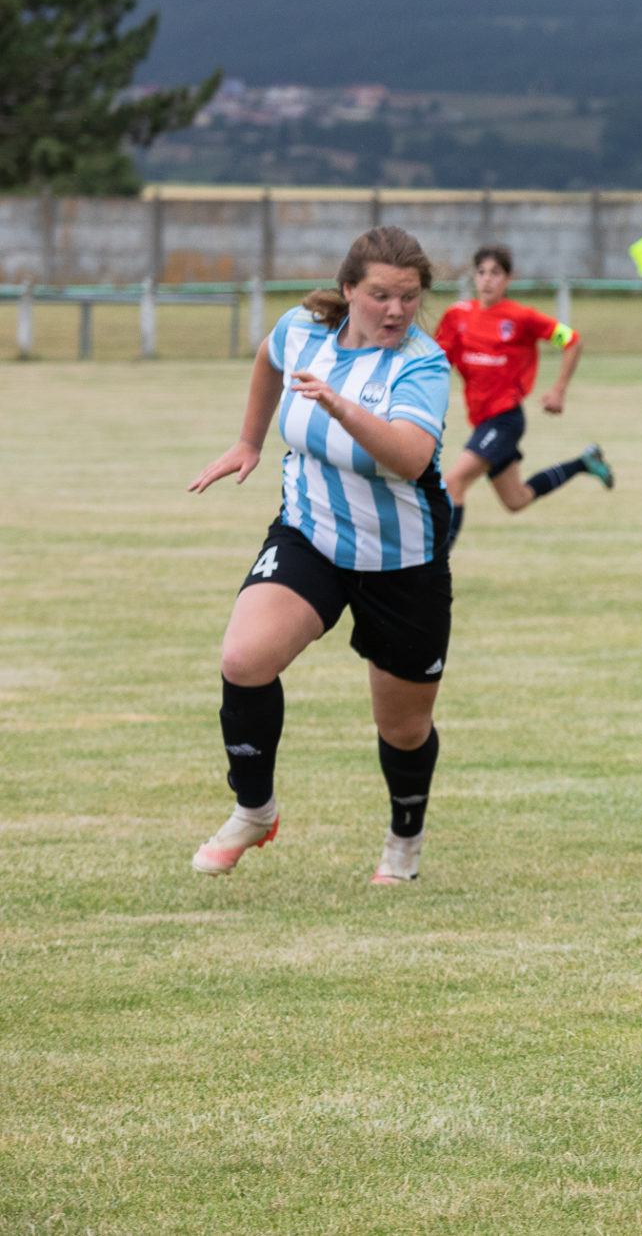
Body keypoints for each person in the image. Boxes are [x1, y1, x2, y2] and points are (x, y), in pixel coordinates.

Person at [184, 227, 459, 885]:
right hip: (310, 534)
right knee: (243, 659)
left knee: (403, 727)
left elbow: (409, 457)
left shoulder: (422, 363)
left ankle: (404, 838)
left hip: (402, 562)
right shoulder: (303, 330)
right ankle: (254, 809)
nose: (395, 310)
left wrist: (340, 406)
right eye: (379, 295)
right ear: (348, 290)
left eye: (409, 297)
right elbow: (268, 358)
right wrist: (249, 440)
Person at [435, 244, 612, 542]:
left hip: (505, 419)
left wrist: (559, 390)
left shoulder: (521, 317)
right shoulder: (457, 316)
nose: (487, 280)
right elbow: (437, 362)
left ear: (508, 279)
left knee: (454, 482)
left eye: (495, 273)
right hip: (482, 421)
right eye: (481, 272)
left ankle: (436, 568)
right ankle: (585, 462)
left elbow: (571, 340)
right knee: (516, 500)